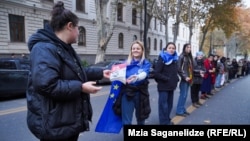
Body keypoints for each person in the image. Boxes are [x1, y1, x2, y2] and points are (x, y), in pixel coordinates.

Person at [26, 1, 111, 141]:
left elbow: (75, 71)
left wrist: (101, 73)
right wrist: (81, 87)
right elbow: (47, 85)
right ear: (70, 26)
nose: (79, 33)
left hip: (65, 120)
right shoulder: (44, 49)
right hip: (54, 124)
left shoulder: (63, 47)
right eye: (78, 28)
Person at [115, 40, 151, 125]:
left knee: (141, 119)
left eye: (138, 48)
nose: (135, 50)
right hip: (127, 93)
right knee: (126, 121)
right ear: (131, 50)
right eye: (133, 48)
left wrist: (137, 77)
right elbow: (117, 76)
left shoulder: (146, 63)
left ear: (142, 50)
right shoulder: (125, 64)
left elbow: (144, 74)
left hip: (141, 93)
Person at [154, 42, 179, 125]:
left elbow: (174, 72)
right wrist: (166, 79)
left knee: (169, 105)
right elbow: (156, 73)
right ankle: (164, 122)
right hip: (163, 86)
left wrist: (176, 79)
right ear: (166, 49)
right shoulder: (162, 58)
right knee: (163, 106)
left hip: (171, 86)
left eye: (173, 48)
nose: (171, 49)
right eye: (169, 48)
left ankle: (167, 119)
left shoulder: (175, 59)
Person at [176, 43, 194, 117]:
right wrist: (185, 77)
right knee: (183, 95)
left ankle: (182, 109)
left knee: (185, 95)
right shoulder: (182, 56)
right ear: (184, 48)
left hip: (188, 78)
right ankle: (179, 111)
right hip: (184, 79)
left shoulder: (189, 57)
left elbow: (190, 68)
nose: (189, 49)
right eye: (187, 47)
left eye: (190, 47)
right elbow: (179, 69)